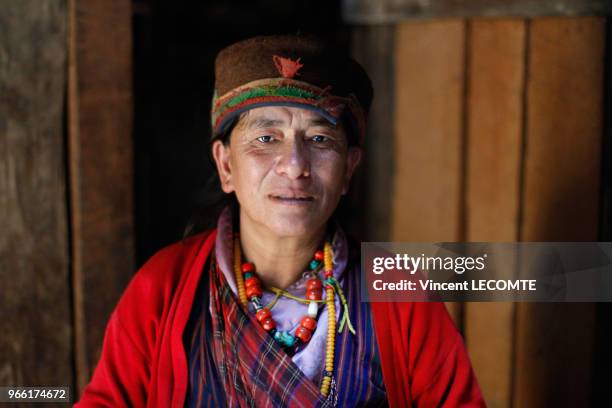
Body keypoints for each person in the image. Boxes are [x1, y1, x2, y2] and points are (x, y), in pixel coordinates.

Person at [76, 35, 485, 407]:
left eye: (320, 140)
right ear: (226, 165)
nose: (294, 166)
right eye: (266, 138)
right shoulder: (162, 286)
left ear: (347, 171)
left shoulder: (401, 297)